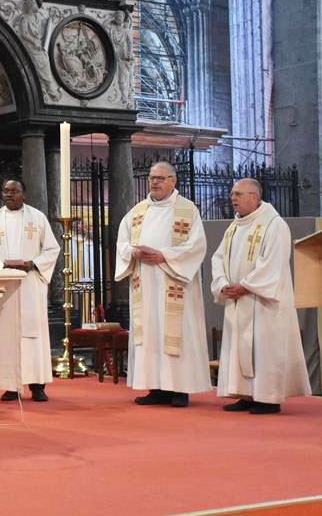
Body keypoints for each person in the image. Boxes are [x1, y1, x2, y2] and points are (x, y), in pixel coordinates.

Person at [210, 178, 311, 414]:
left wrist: (246, 286)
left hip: (264, 302)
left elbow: (274, 263)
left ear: (254, 196)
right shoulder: (234, 226)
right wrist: (223, 284)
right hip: (238, 299)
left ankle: (268, 398)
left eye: (238, 194)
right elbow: (218, 258)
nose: (233, 198)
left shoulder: (274, 225)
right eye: (232, 194)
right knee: (241, 347)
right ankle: (245, 394)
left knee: (264, 349)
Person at [115, 162, 211, 408]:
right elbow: (122, 243)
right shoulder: (137, 212)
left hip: (174, 281)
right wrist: (133, 252)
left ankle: (180, 389)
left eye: (160, 178)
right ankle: (155, 387)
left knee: (177, 334)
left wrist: (164, 256)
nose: (154, 182)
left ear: (173, 181)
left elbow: (196, 246)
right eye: (151, 178)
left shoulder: (187, 209)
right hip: (146, 284)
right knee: (150, 332)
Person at [0, 179, 60, 402]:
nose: (9, 195)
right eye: (5, 191)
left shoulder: (37, 218)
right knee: (8, 334)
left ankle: (37, 385)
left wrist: (33, 264)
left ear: (24, 193)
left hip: (30, 283)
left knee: (33, 334)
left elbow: (52, 249)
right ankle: (11, 385)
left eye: (14, 191)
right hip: (5, 285)